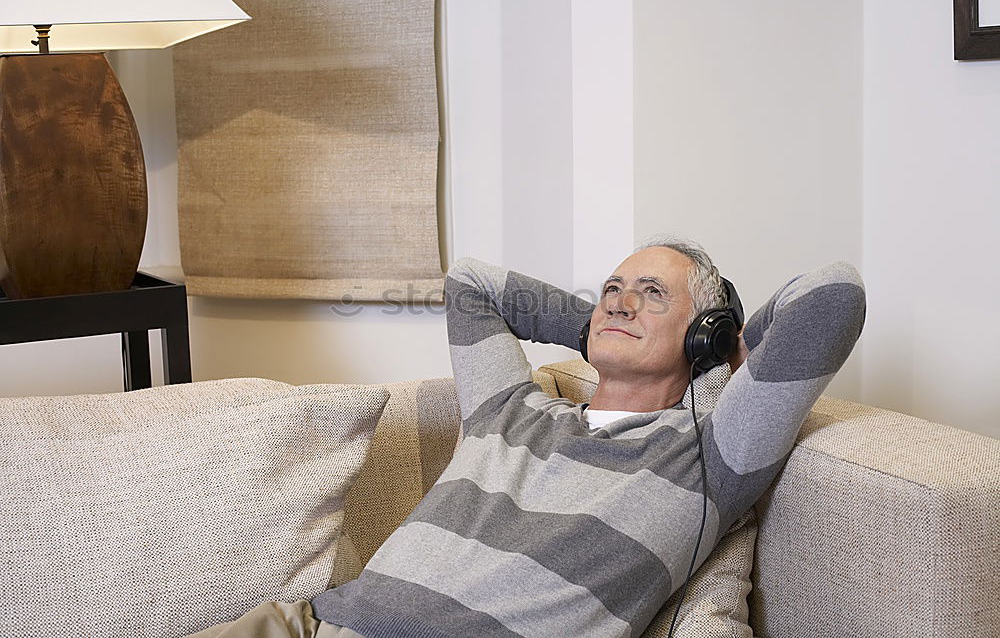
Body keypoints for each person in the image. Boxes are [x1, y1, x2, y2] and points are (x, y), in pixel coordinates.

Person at [191, 236, 866, 638]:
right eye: (611, 289)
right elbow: (471, 283)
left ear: (705, 330)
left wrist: (721, 352)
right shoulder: (509, 407)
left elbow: (834, 295)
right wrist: (602, 324)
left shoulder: (706, 455)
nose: (619, 301)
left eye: (651, 293)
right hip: (304, 626)